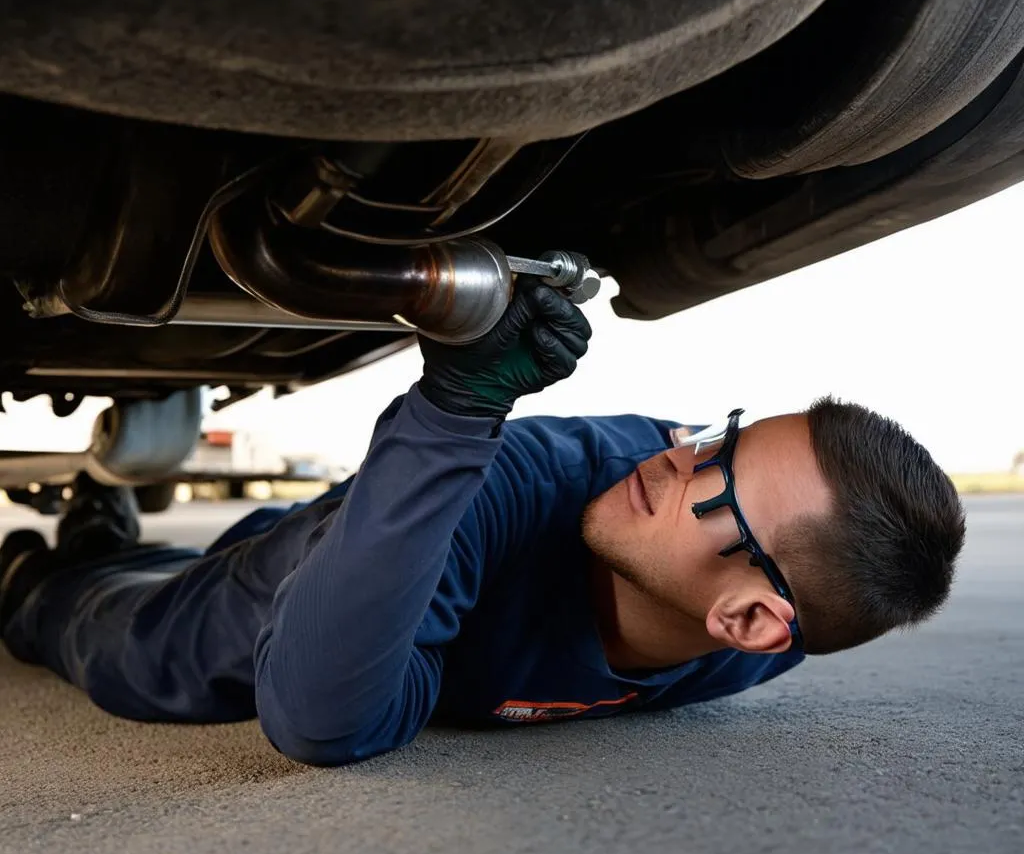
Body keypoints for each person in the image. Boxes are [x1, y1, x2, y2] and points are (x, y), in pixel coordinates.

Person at [0, 279, 966, 766]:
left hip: (391, 547)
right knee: (124, 646)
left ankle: (103, 528)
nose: (674, 456)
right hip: (343, 554)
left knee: (177, 563)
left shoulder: (782, 638)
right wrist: (458, 407)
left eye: (715, 481)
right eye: (717, 435)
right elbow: (322, 717)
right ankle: (49, 573)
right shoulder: (538, 482)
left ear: (752, 622)